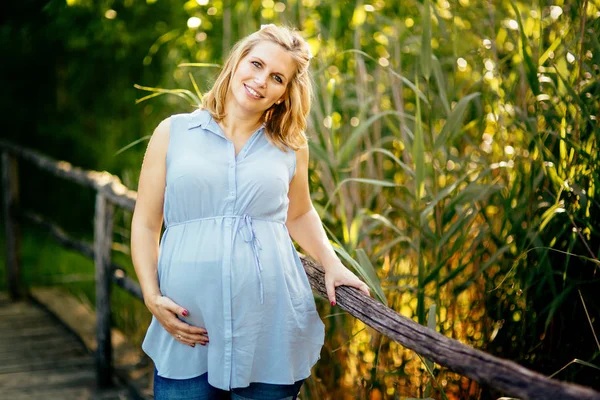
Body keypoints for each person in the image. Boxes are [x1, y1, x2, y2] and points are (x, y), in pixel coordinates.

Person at [131, 24, 370, 400]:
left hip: (268, 329)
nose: (261, 81)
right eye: (256, 64)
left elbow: (299, 214)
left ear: (284, 93)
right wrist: (150, 295)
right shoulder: (173, 132)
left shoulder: (291, 146)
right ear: (236, 62)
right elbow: (146, 224)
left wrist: (332, 262)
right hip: (188, 329)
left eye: (277, 77)